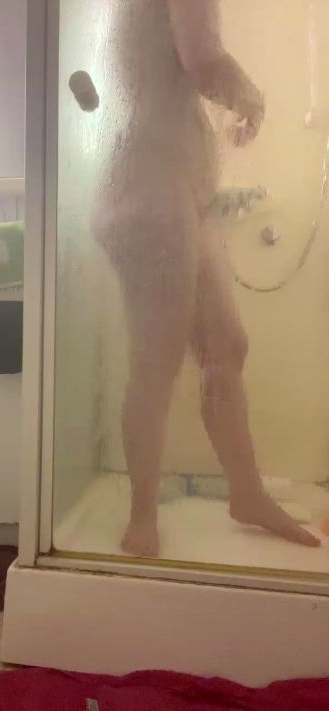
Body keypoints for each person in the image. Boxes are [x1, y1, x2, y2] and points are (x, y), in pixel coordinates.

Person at [94, 0, 320, 556]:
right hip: (149, 185)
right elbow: (201, 59)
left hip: (169, 186)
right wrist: (253, 100)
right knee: (157, 358)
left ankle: (247, 493)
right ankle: (141, 520)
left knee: (225, 342)